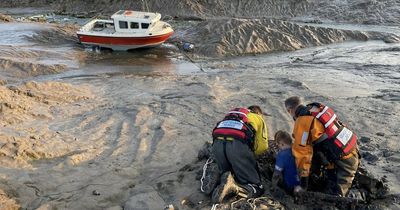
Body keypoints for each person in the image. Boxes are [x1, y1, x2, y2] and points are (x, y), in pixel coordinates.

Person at [284, 96, 360, 196]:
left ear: (290, 110)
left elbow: (302, 155)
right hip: (353, 148)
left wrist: (303, 185)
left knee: (338, 197)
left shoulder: (302, 121)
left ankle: (354, 195)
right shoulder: (318, 108)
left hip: (346, 161)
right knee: (317, 154)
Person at [211, 105, 268, 203]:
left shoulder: (232, 114)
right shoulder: (258, 118)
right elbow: (262, 147)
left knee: (229, 172)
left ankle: (219, 179)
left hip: (217, 146)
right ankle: (234, 187)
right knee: (256, 187)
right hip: (237, 146)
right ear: (258, 113)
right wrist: (250, 155)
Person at [271, 130, 301, 195]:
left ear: (282, 144)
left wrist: (273, 187)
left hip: (289, 186)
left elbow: (276, 175)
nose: (277, 146)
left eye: (278, 144)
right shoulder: (297, 149)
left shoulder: (282, 156)